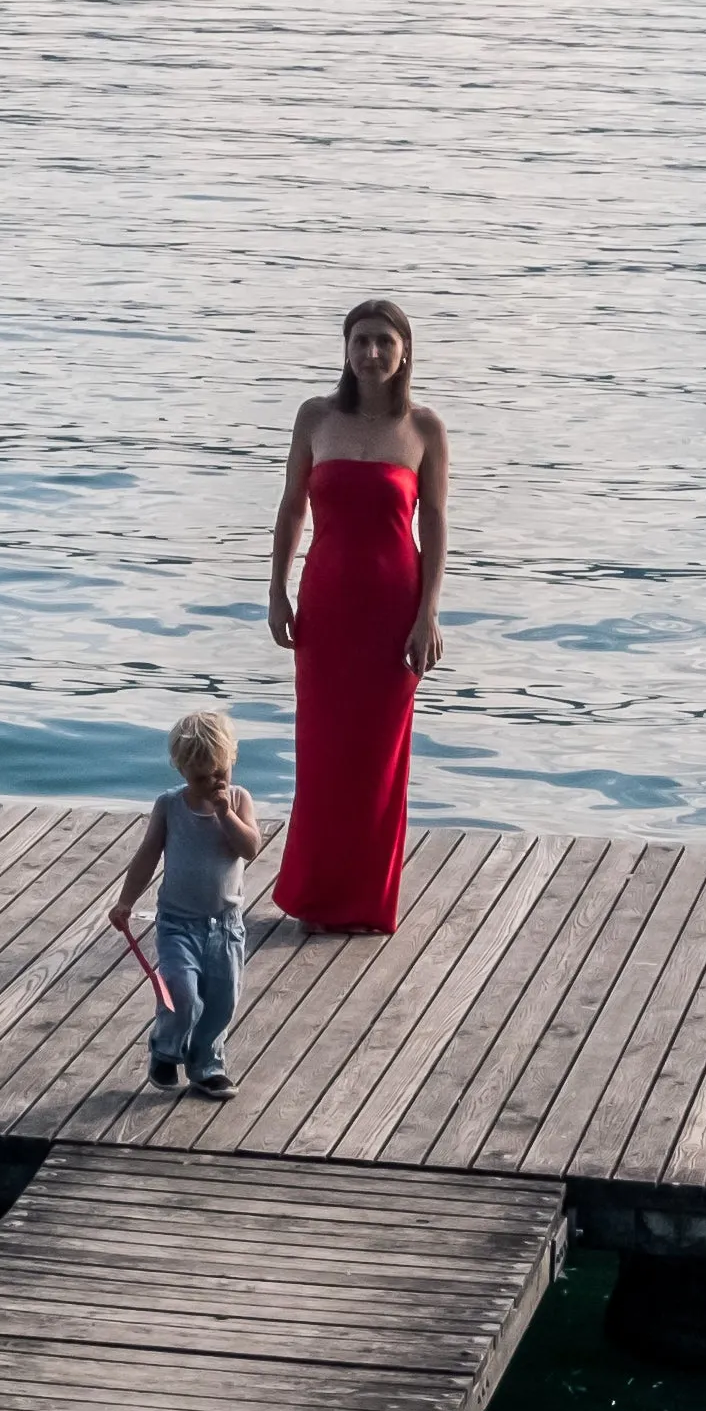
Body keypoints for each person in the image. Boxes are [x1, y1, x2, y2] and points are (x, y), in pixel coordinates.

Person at [267, 296, 445, 933]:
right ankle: (315, 898)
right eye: (361, 341)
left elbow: (435, 526)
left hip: (395, 609)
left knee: (379, 759)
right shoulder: (316, 418)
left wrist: (428, 614)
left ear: (403, 352)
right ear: (346, 349)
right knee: (322, 755)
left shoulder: (423, 429)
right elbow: (292, 509)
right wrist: (276, 591)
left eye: (383, 342)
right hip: (329, 605)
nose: (371, 353)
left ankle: (365, 904)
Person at [113, 710, 268, 1097]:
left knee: (221, 1000)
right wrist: (125, 901)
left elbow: (249, 848)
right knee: (180, 992)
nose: (213, 784)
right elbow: (148, 856)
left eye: (219, 774)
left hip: (225, 925)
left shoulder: (237, 799)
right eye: (201, 778)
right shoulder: (170, 806)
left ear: (230, 762)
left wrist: (226, 813)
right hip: (178, 923)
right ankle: (166, 1050)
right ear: (181, 771)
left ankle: (206, 1064)